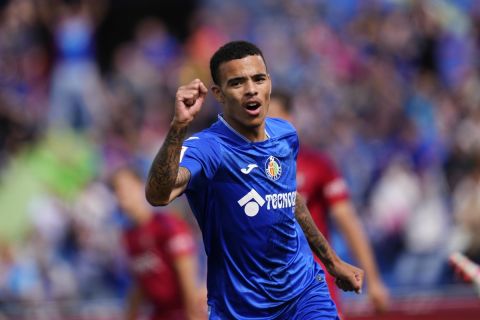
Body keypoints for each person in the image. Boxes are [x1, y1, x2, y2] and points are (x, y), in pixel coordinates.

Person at [145, 40, 364, 319]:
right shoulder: (209, 148)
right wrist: (179, 127)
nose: (251, 89)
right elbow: (158, 194)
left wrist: (332, 263)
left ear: (269, 83)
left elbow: (290, 201)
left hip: (303, 292)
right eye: (237, 83)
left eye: (258, 79)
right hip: (241, 308)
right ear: (219, 93)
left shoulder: (285, 134)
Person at [268, 90, 390, 313]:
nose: (266, 127)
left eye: (274, 119)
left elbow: (348, 222)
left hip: (313, 286)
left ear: (290, 119)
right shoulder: (243, 170)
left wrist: (373, 280)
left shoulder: (317, 165)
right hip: (265, 289)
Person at [110, 166, 206, 320]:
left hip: (183, 312)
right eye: (116, 190)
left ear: (140, 186)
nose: (120, 194)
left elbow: (187, 275)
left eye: (124, 187)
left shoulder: (166, 225)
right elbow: (142, 282)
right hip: (161, 313)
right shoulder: (129, 236)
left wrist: (193, 314)